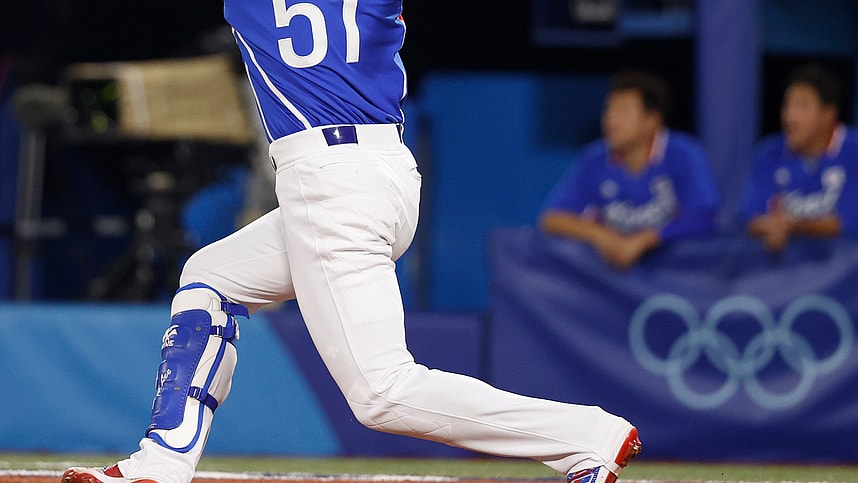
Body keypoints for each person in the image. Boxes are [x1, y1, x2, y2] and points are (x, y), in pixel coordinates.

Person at [61, 3, 641, 483]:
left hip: (327, 181)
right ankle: (163, 460)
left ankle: (584, 436)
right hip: (386, 173)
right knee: (211, 276)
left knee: (381, 393)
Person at [539, 70, 721, 269]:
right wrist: (602, 236)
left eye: (623, 110)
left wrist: (644, 241)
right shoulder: (594, 160)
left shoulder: (684, 154)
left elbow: (705, 216)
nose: (611, 120)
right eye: (609, 109)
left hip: (678, 280)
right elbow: (552, 219)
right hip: (609, 284)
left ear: (652, 120)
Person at [739, 62, 858, 252]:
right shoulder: (769, 153)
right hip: (784, 278)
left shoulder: (853, 152)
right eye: (787, 105)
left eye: (801, 106)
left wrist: (792, 225)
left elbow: (847, 223)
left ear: (828, 114)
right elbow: (751, 218)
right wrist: (768, 226)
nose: (789, 116)